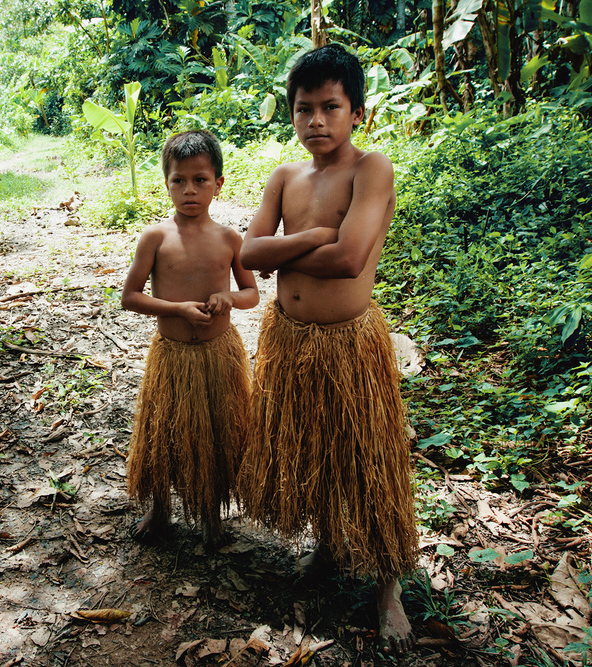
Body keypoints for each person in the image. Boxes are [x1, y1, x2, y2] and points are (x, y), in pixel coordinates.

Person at [236, 44, 419, 654]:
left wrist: (291, 244)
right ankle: (327, 545)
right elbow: (246, 255)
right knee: (311, 446)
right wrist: (316, 233)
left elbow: (348, 259)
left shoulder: (373, 170)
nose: (316, 120)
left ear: (358, 112)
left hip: (350, 344)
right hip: (290, 342)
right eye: (304, 108)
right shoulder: (285, 177)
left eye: (330, 107)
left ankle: (387, 586)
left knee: (368, 458)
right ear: (290, 114)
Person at [122, 129, 259, 545]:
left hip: (219, 356)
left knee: (218, 434)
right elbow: (130, 297)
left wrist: (227, 298)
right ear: (166, 184)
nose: (189, 190)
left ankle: (211, 515)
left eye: (200, 180)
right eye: (178, 180)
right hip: (173, 356)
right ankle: (160, 509)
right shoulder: (156, 238)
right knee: (163, 435)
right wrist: (177, 309)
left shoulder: (230, 238)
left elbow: (252, 294)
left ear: (219, 183)